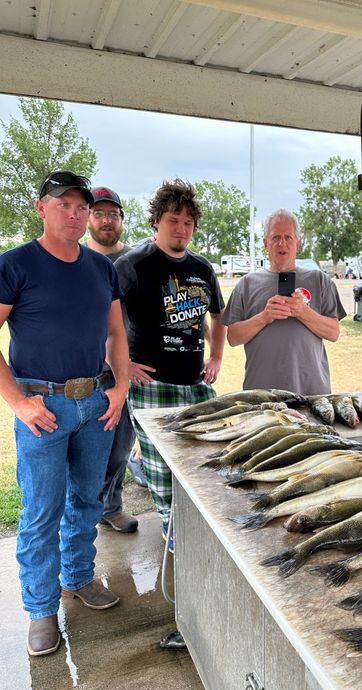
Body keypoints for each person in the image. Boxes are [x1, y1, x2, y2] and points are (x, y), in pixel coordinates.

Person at [0, 169, 130, 657]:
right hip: (44, 408)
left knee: (88, 502)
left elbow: (116, 334)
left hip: (96, 403)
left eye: (81, 207)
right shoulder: (15, 264)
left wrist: (117, 389)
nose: (74, 215)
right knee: (41, 513)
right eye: (64, 205)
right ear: (42, 208)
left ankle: (78, 578)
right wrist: (17, 401)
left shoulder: (101, 268)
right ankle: (40, 610)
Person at [115, 178, 226, 551]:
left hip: (194, 382)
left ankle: (196, 517)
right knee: (161, 464)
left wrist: (217, 356)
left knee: (202, 456)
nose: (181, 229)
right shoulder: (132, 264)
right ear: (156, 222)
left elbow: (217, 316)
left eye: (188, 223)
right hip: (150, 384)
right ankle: (170, 526)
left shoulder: (202, 268)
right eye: (173, 220)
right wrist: (123, 365)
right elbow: (103, 318)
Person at [221, 208, 346, 394]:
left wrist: (303, 312)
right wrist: (264, 317)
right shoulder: (246, 284)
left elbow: (333, 333)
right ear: (265, 243)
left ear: (298, 243)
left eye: (288, 237)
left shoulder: (320, 281)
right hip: (261, 395)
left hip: (311, 393)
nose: (282, 243)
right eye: (275, 237)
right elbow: (233, 337)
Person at [86, 186, 141, 533]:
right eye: (100, 213)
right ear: (89, 217)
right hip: (85, 374)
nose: (107, 220)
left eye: (113, 214)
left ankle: (111, 506)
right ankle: (83, 516)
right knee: (86, 454)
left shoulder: (136, 261)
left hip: (125, 370)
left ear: (121, 219)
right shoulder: (73, 258)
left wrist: (130, 363)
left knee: (120, 448)